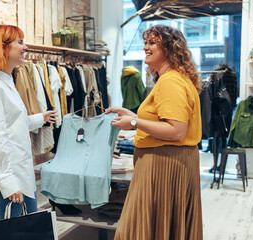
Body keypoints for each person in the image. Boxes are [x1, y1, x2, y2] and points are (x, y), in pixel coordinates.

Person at [107, 25, 203, 239]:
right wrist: (131, 115)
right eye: (145, 42)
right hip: (169, 162)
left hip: (164, 165)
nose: (145, 48)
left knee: (142, 229)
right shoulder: (173, 79)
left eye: (152, 43)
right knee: (160, 228)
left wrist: (133, 123)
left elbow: (176, 130)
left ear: (168, 49)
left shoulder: (171, 81)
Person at [0, 25, 58, 220]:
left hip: (20, 173)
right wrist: (8, 182)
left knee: (26, 229)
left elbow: (12, 124)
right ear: (4, 47)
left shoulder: (5, 82)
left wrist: (39, 118)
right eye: (20, 42)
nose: (25, 47)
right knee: (15, 231)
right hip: (12, 177)